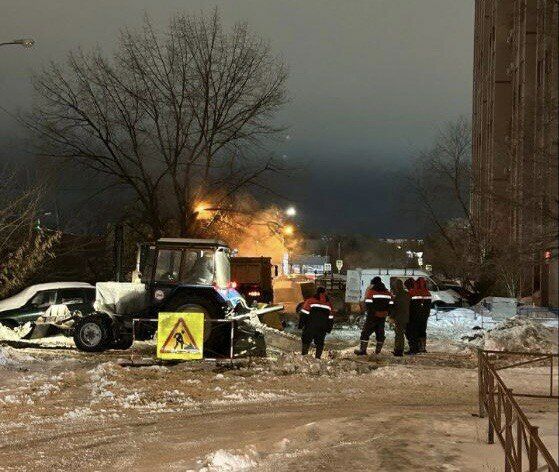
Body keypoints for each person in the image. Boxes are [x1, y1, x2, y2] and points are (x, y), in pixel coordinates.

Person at [354, 276, 392, 355]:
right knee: (380, 333)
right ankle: (378, 352)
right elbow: (391, 304)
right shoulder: (388, 293)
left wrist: (372, 313)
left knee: (365, 333)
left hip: (372, 316)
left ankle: (363, 350)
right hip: (382, 316)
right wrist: (386, 312)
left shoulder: (372, 292)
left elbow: (368, 304)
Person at [298, 287, 334, 359]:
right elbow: (331, 318)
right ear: (324, 293)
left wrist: (301, 325)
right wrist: (329, 329)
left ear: (316, 292)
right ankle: (317, 359)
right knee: (320, 343)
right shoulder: (328, 304)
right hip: (322, 328)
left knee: (306, 341)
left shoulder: (310, 301)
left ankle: (304, 358)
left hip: (310, 326)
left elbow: (304, 314)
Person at [410, 277, 432, 353]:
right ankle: (423, 347)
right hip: (425, 316)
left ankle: (415, 347)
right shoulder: (428, 293)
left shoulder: (413, 292)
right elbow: (428, 306)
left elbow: (411, 305)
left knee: (414, 331)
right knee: (423, 331)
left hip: (415, 316)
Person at [389, 279, 410, 357]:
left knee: (399, 334)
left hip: (399, 317)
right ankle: (399, 349)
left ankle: (398, 350)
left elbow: (395, 308)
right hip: (406, 316)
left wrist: (391, 316)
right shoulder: (407, 294)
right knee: (400, 334)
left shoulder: (398, 295)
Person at [404, 278, 419, 354]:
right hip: (417, 315)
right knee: (415, 332)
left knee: (409, 333)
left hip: (411, 316)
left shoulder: (410, 293)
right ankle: (416, 348)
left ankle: (413, 349)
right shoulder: (417, 292)